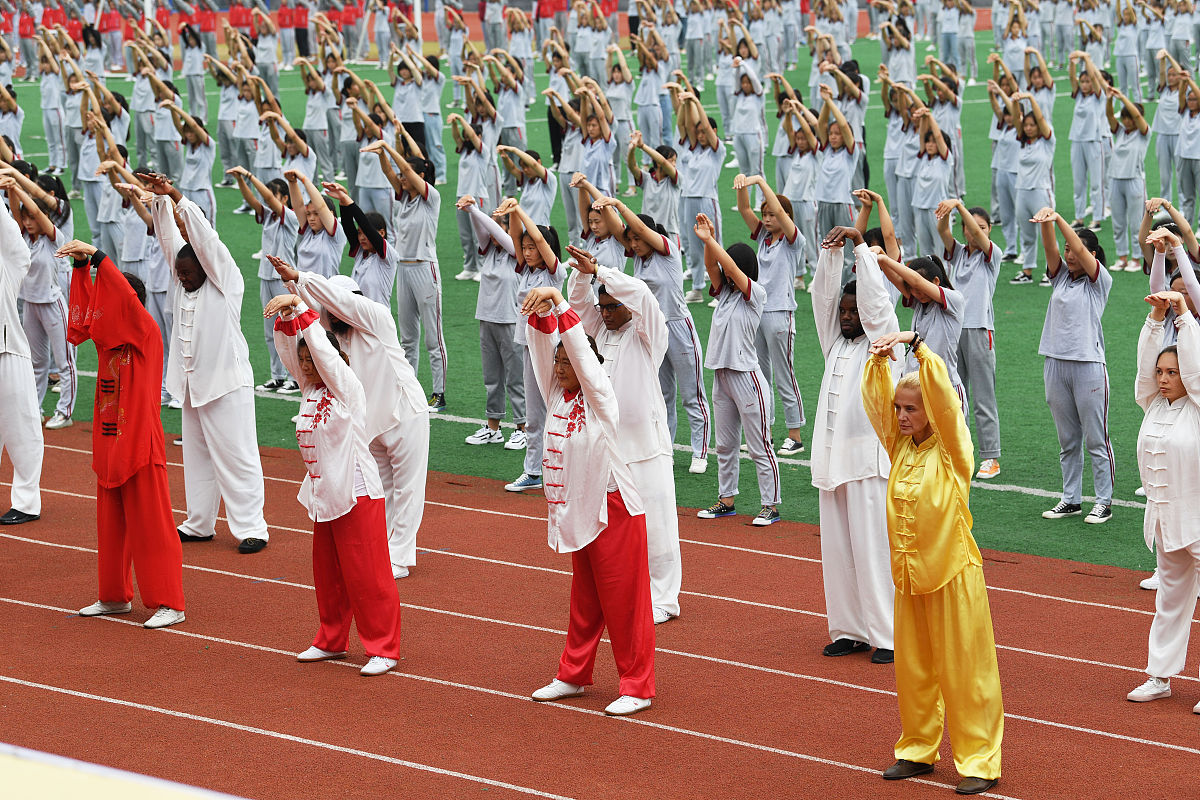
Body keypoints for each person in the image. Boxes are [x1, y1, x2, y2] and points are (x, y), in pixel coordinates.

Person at [862, 329, 1003, 797]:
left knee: (966, 670)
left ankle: (980, 759)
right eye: (900, 408)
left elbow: (945, 404)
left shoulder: (952, 452)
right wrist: (880, 362)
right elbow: (876, 405)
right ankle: (918, 749)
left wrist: (917, 347)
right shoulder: (898, 445)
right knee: (914, 669)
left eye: (911, 409)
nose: (901, 417)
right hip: (909, 577)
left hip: (954, 575)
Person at [521, 282, 655, 717]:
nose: (560, 368)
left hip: (615, 509)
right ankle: (573, 675)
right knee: (585, 600)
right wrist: (541, 315)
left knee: (625, 604)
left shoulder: (602, 401)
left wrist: (562, 303)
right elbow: (544, 354)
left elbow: (583, 359)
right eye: (558, 361)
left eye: (568, 361)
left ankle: (637, 685)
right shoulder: (557, 396)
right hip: (580, 514)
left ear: (585, 365)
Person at [265, 291, 403, 677]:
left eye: (314, 359)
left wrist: (308, 316)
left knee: (368, 576)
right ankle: (331, 640)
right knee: (328, 575)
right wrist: (289, 316)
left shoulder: (347, 390)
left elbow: (323, 356)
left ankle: (384, 648)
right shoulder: (309, 390)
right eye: (304, 360)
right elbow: (291, 354)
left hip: (358, 494)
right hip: (325, 496)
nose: (307, 365)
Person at [63, 240, 186, 630]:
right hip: (109, 442)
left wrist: (99, 257)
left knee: (152, 527)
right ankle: (113, 596)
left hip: (141, 445)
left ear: (127, 302)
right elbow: (83, 321)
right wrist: (83, 270)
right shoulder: (107, 342)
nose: (104, 306)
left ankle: (170, 602)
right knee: (111, 526)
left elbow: (123, 301)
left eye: (110, 296)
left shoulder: (146, 333)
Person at [148, 178, 271, 554]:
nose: (182, 278)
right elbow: (171, 244)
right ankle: (199, 523)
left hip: (227, 386)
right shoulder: (181, 280)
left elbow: (208, 244)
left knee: (237, 456)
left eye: (189, 273)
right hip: (191, 387)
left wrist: (177, 197)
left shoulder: (225, 284)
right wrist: (158, 202)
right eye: (180, 274)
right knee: (197, 457)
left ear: (206, 268)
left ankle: (253, 528)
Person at [565, 241, 682, 624]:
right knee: (615, 526)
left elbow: (644, 295)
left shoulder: (648, 332)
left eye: (614, 306)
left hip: (647, 448)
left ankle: (663, 599)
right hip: (608, 449)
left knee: (657, 525)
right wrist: (583, 275)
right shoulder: (598, 331)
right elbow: (578, 306)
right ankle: (623, 591)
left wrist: (601, 271)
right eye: (604, 307)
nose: (607, 313)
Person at [810, 227, 898, 665]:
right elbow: (821, 301)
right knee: (839, 553)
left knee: (872, 550)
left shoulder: (882, 347)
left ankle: (888, 634)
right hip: (831, 464)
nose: (845, 318)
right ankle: (850, 629)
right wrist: (832, 257)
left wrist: (861, 249)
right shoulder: (834, 345)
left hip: (868, 465)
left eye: (852, 312)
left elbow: (879, 307)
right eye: (843, 313)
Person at [693, 213, 782, 526]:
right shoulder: (726, 293)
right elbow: (711, 268)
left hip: (747, 378)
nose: (725, 270)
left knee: (760, 445)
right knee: (725, 445)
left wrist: (709, 240)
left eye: (731, 265)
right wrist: (708, 240)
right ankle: (726, 500)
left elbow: (727, 268)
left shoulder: (754, 293)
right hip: (721, 376)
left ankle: (770, 505)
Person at [1033, 207, 1115, 524]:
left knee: (1096, 438)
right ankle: (1071, 499)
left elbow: (1078, 247)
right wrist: (1046, 225)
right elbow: (1051, 248)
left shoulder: (1099, 280)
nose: (1069, 255)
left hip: (1089, 366)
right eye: (1066, 250)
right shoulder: (1060, 279)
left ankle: (1103, 501)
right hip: (1055, 362)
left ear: (1092, 254)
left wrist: (1060, 221)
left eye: (1075, 250)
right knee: (1068, 439)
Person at [733, 172, 807, 455]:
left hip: (780, 312)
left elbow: (777, 208)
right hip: (759, 311)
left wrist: (760, 182)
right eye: (764, 214)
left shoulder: (792, 241)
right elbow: (743, 209)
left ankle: (795, 434)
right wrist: (742, 185)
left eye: (772, 215)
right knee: (760, 373)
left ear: (785, 216)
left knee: (784, 373)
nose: (766, 218)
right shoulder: (763, 237)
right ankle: (766, 431)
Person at [935, 200, 1002, 478]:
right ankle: (958, 450)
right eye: (972, 228)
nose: (976, 232)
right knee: (953, 393)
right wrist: (946, 213)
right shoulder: (957, 253)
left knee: (982, 397)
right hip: (954, 330)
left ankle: (991, 457)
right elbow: (942, 230)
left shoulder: (991, 255)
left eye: (983, 228)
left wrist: (960, 206)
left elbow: (978, 235)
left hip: (979, 329)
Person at [0, 196, 42, 525]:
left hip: (9, 353)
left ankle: (27, 502)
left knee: (23, 428)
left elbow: (12, 238)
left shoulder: (10, 265)